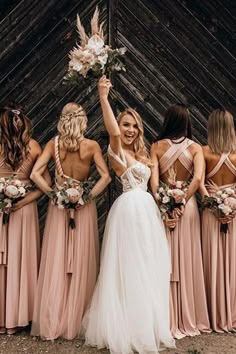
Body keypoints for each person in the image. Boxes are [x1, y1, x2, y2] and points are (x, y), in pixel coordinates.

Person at [82, 76, 175, 354]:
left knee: (149, 266)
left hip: (147, 212)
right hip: (128, 212)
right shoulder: (116, 149)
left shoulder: (144, 154)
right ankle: (128, 326)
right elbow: (111, 129)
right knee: (129, 268)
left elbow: (155, 183)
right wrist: (103, 97)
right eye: (126, 125)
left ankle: (146, 323)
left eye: (134, 125)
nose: (130, 130)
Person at [30, 102, 110, 340]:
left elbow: (35, 173)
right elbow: (105, 176)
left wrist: (53, 193)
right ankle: (77, 320)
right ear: (83, 120)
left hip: (59, 207)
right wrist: (86, 196)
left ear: (62, 120)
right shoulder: (91, 146)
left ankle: (54, 318)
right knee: (81, 258)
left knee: (57, 257)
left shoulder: (53, 144)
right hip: (83, 208)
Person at [150, 103, 210, 338]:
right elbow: (197, 178)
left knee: (163, 257)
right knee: (188, 259)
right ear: (186, 122)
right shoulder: (195, 148)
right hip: (188, 207)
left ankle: (165, 316)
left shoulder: (155, 147)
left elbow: (154, 183)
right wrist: (182, 200)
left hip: (163, 207)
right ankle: (188, 315)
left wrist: (165, 203)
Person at [0, 103, 48, 335]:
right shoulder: (35, 146)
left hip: (4, 208)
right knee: (21, 259)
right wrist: (23, 201)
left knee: (4, 261)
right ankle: (18, 316)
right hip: (24, 210)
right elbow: (42, 187)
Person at [200, 109, 236, 332]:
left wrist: (212, 202)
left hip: (210, 214)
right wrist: (232, 202)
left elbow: (200, 182)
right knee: (233, 261)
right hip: (234, 211)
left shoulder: (204, 152)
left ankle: (213, 313)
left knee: (211, 259)